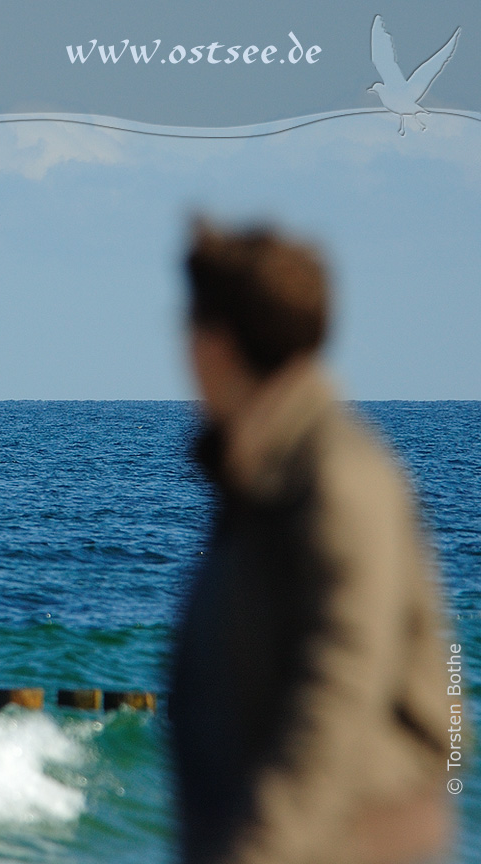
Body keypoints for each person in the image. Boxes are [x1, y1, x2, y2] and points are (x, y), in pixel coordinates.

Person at [169, 219, 458, 864]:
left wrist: (265, 849)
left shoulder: (336, 481)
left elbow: (340, 692)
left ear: (219, 346)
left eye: (190, 331)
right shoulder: (261, 478)